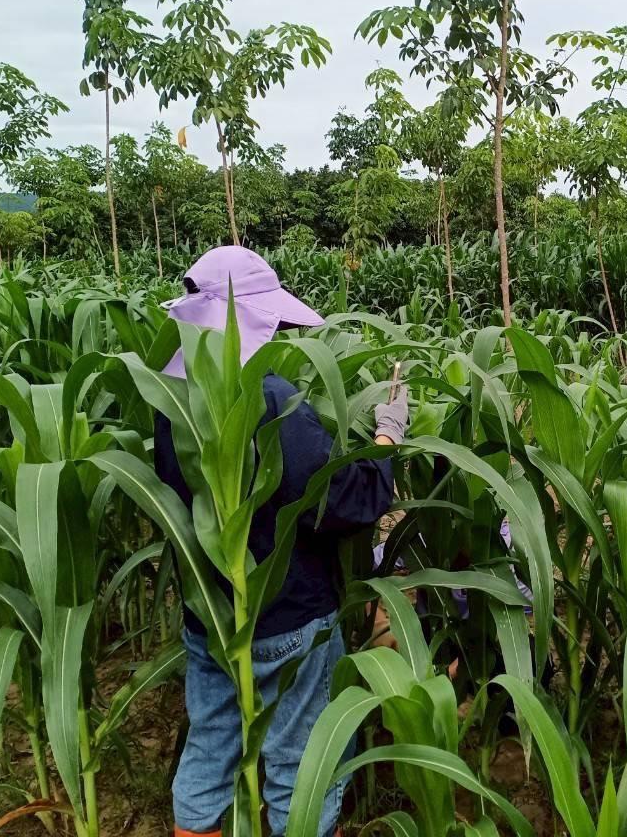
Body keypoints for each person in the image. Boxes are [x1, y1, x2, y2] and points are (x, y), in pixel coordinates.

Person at [156, 247, 408, 837]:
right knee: (302, 759)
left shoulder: (168, 396)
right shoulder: (274, 402)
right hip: (291, 615)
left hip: (212, 615)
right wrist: (387, 436)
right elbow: (341, 501)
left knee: (211, 746)